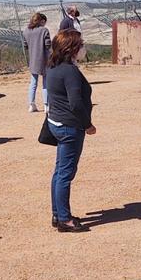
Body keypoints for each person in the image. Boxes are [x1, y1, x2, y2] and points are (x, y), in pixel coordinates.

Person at [46, 28, 96, 232]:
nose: (83, 48)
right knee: (65, 173)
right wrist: (87, 125)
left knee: (59, 172)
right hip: (70, 127)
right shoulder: (70, 71)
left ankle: (58, 213)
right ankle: (64, 220)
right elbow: (76, 104)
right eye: (80, 45)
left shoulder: (52, 66)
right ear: (72, 48)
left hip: (56, 123)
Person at [23, 12, 51, 113]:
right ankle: (46, 106)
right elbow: (48, 46)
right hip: (45, 60)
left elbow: (25, 46)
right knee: (45, 83)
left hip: (33, 60)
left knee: (33, 82)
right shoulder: (44, 30)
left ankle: (31, 104)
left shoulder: (26, 31)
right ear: (41, 21)